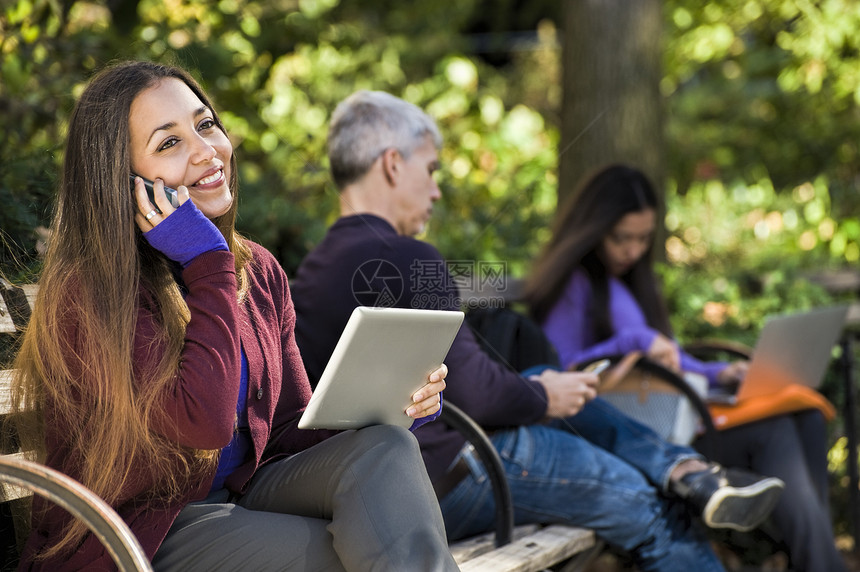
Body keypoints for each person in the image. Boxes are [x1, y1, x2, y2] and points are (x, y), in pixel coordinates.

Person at [291, 89, 786, 572]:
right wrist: (544, 396)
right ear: (393, 164)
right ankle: (685, 477)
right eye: (432, 169)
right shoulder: (408, 256)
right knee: (648, 506)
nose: (437, 190)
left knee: (551, 376)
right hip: (451, 473)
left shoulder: (313, 271)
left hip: (388, 483)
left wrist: (544, 386)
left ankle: (687, 471)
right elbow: (477, 393)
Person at [8, 60, 458, 571]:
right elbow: (204, 423)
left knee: (386, 449)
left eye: (204, 125)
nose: (206, 150)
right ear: (124, 181)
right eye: (168, 143)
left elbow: (288, 430)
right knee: (351, 555)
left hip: (242, 499)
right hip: (140, 534)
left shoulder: (256, 270)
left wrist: (397, 402)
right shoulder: (93, 292)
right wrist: (206, 265)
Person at [522, 163, 847, 572]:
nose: (634, 251)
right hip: (638, 431)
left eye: (643, 239)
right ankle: (822, 564)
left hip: (675, 412)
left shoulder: (629, 281)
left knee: (805, 413)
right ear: (593, 228)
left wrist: (719, 374)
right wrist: (635, 340)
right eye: (622, 238)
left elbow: (671, 357)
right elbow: (560, 368)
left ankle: (815, 557)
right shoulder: (572, 283)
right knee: (773, 433)